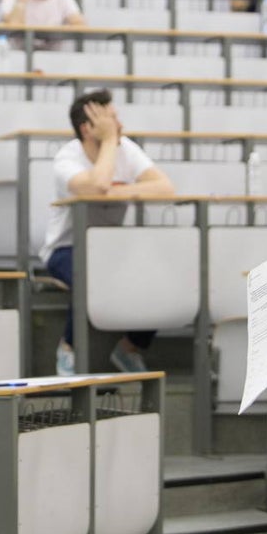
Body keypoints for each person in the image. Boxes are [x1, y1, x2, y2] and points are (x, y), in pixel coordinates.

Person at [40, 90, 175, 375]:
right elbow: (98, 187)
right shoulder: (67, 159)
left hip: (111, 249)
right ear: (88, 128)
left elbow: (165, 188)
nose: (119, 125)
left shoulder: (125, 148)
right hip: (66, 249)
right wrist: (110, 142)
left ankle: (130, 347)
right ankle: (69, 348)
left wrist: (121, 187)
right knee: (89, 272)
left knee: (161, 276)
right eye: (112, 119)